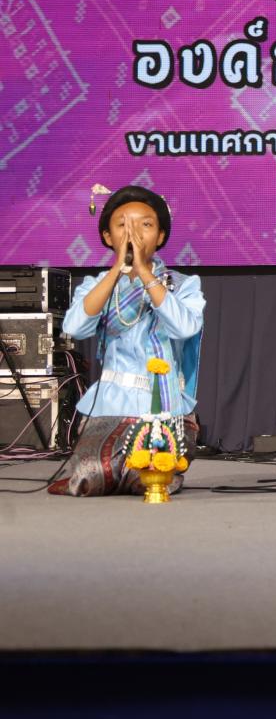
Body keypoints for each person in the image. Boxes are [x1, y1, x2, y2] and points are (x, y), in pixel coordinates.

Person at [52, 185, 204, 496]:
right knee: (89, 477)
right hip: (111, 404)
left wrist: (144, 274)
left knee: (151, 476)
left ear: (160, 236)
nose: (133, 234)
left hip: (164, 404)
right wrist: (115, 272)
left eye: (145, 225)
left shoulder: (182, 285)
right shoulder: (96, 286)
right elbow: (76, 327)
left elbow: (184, 328)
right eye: (123, 225)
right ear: (108, 237)